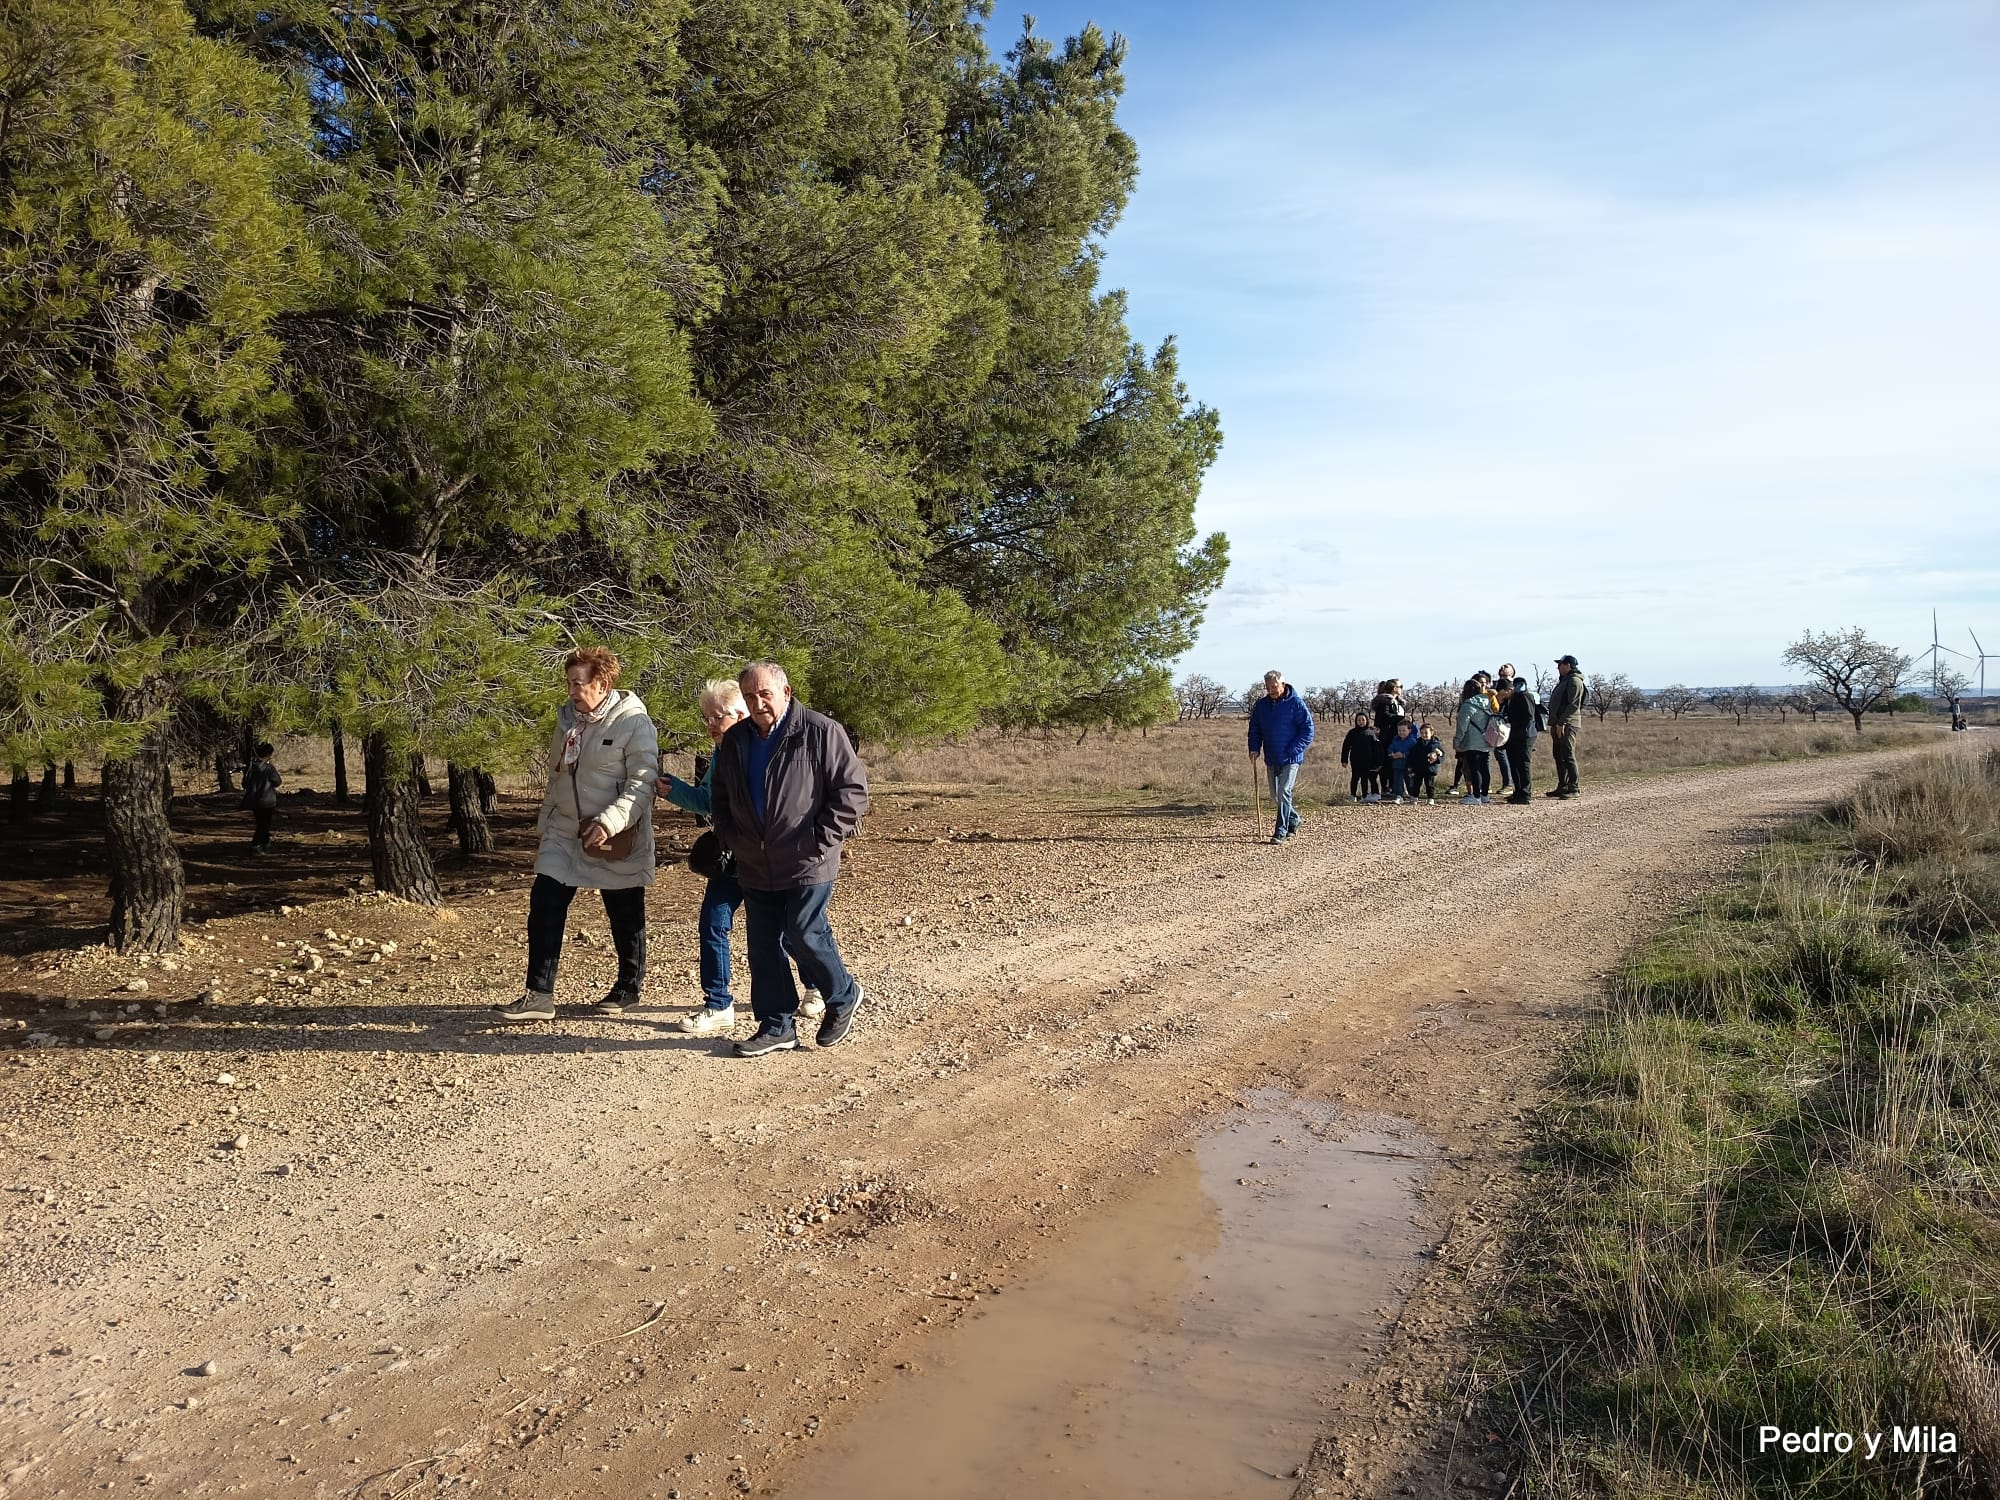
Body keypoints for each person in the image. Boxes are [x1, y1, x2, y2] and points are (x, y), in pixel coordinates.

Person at [709, 662, 869, 1057]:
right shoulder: (736, 740)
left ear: (786, 691)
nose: (758, 703)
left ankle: (843, 994)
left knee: (803, 931)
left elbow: (852, 793)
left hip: (807, 859)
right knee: (763, 946)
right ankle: (777, 1026)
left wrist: (820, 839)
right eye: (750, 696)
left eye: (765, 694)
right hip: (754, 861)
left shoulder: (820, 731)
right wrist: (732, 838)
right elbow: (721, 795)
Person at [498, 646, 659, 1022]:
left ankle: (628, 986)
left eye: (577, 683)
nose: (570, 690)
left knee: (624, 911)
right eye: (568, 682)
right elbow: (557, 776)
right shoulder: (567, 721)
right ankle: (539, 995)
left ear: (602, 683)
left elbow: (642, 782)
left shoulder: (634, 722)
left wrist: (609, 822)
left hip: (616, 832)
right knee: (545, 900)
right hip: (565, 831)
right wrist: (547, 822)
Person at [657, 679, 823, 1036]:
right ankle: (719, 1005)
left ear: (742, 715)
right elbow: (707, 802)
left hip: (768, 859)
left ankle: (815, 987)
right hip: (731, 859)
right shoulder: (720, 754)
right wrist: (674, 790)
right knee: (713, 923)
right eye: (706, 718)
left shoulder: (764, 749)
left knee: (788, 931)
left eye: (718, 717)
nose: (711, 725)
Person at [1248, 669, 1314, 841]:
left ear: (1283, 684)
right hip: (1272, 756)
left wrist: (1293, 749)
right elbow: (1255, 729)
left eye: (1274, 686)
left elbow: (1308, 730)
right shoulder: (1261, 706)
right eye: (1268, 687)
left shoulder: (1296, 703)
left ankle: (1281, 831)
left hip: (1291, 758)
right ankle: (1295, 819)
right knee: (1276, 796)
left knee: (1284, 791)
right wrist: (1254, 748)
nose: (1271, 690)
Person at [1545, 654, 1588, 799]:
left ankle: (1574, 788)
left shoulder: (1574, 681)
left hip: (1567, 723)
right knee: (1558, 755)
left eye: (1560, 664)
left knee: (1568, 755)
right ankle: (1563, 786)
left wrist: (1561, 722)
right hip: (1558, 723)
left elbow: (1573, 705)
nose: (1558, 667)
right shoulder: (1565, 680)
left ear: (1568, 665)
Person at [1454, 678, 1496, 805]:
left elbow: (1462, 726)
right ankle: (1484, 795)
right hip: (1486, 740)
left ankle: (1476, 796)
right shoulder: (1487, 702)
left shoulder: (1467, 706)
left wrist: (1457, 742)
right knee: (1485, 768)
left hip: (1472, 741)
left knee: (1475, 769)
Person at [1497, 679, 1534, 804]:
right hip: (1511, 736)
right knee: (1513, 764)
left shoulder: (1524, 697)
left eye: (1504, 693)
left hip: (1524, 735)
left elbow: (1529, 716)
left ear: (1510, 689)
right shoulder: (1508, 700)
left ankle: (1525, 793)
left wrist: (1512, 722)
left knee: (1523, 764)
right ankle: (1517, 791)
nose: (1503, 696)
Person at [242, 742, 281, 851]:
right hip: (267, 800)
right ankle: (256, 844)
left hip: (254, 800)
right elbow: (277, 781)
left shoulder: (250, 768)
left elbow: (244, 784)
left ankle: (266, 842)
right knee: (264, 824)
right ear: (268, 754)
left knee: (261, 822)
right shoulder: (268, 768)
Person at [1383, 717, 1419, 803]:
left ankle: (1413, 795)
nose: (1401, 732)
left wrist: (1403, 755)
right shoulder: (1395, 739)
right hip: (1397, 764)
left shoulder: (1413, 741)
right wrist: (1391, 754)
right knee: (1397, 781)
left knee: (1410, 781)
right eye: (1399, 730)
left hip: (1408, 766)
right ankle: (1399, 796)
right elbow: (1390, 748)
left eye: (1404, 730)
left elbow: (1414, 753)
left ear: (1409, 730)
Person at [1340, 712, 1373, 802]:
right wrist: (1344, 760)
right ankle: (1353, 795)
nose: (1361, 722)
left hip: (1367, 760)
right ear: (1356, 721)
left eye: (1363, 720)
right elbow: (1346, 746)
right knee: (1355, 777)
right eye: (1359, 720)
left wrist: (1376, 761)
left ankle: (1365, 795)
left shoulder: (1370, 733)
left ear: (1366, 721)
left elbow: (1375, 748)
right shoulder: (1352, 733)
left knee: (1365, 778)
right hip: (1355, 760)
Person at [1411, 722, 1446, 803]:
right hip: (1418, 768)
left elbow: (1442, 755)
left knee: (1430, 785)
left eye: (1426, 733)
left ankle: (1430, 798)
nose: (1424, 735)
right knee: (1416, 784)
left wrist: (1438, 757)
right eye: (1422, 733)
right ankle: (1415, 797)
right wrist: (1410, 765)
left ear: (1432, 733)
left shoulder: (1436, 743)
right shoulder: (1417, 743)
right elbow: (1413, 755)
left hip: (1430, 768)